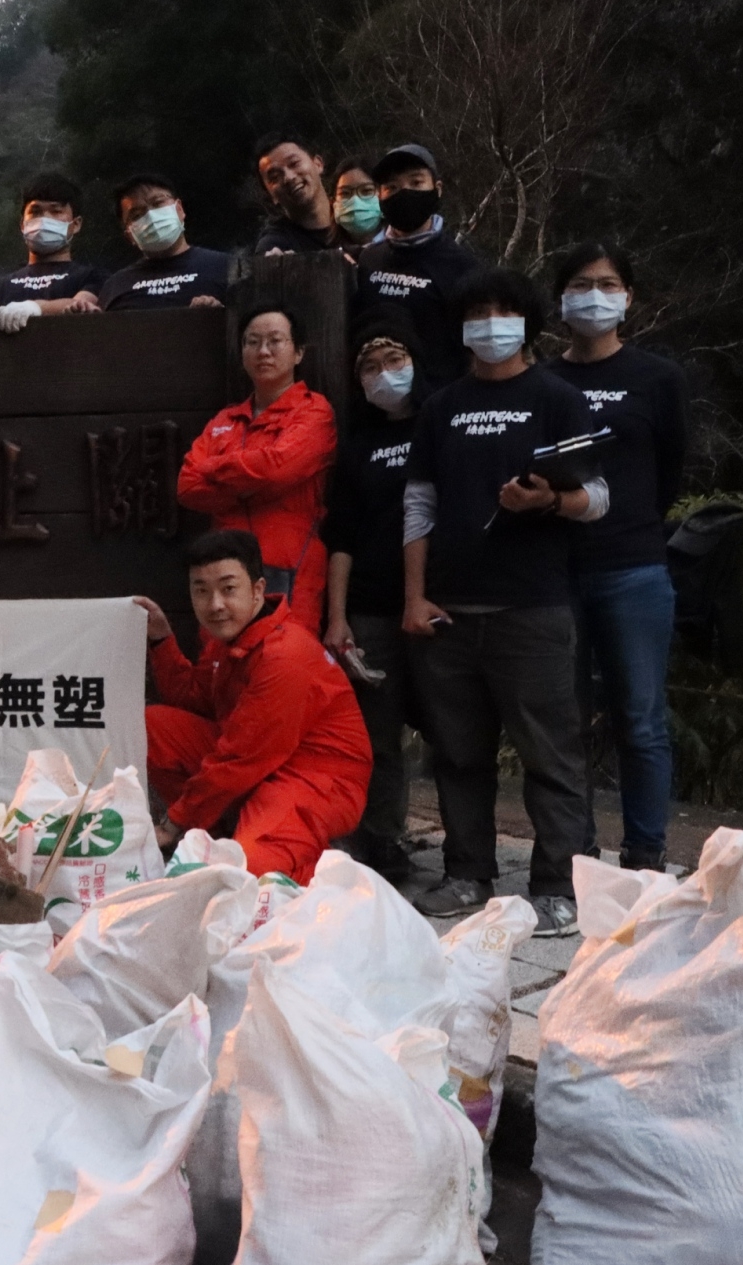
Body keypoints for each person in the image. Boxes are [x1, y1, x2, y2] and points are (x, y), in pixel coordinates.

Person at [400, 266, 606, 934]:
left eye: (503, 310)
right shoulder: (440, 406)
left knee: (551, 754)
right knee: (458, 755)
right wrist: (413, 594)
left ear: (526, 321)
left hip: (534, 608)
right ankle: (467, 872)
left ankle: (559, 885)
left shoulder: (557, 396)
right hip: (451, 609)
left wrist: (550, 499)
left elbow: (598, 498)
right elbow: (418, 505)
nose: (490, 323)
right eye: (477, 311)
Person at [546, 242, 690, 872]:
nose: (594, 295)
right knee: (564, 722)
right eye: (581, 283)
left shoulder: (659, 378)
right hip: (555, 568)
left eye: (608, 283)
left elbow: (671, 475)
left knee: (641, 720)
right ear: (560, 297)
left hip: (635, 567)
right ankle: (575, 849)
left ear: (629, 297)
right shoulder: (544, 380)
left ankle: (646, 853)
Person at [138, 529, 372, 883]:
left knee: (249, 872)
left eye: (228, 589)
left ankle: (327, 863)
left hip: (316, 776)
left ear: (258, 590)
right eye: (201, 590)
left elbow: (240, 760)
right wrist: (161, 638)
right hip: (260, 762)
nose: (215, 604)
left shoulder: (285, 655)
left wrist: (174, 821)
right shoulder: (232, 638)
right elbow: (192, 696)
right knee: (151, 727)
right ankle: (211, 841)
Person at [320, 309, 428, 884]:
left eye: (394, 361)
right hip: (370, 608)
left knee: (455, 730)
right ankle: (383, 839)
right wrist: (338, 617)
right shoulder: (358, 445)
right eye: (369, 367)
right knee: (378, 735)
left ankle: (469, 850)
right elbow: (342, 535)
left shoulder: (440, 424)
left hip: (441, 605)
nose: (383, 374)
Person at [177, 305, 335, 635]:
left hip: (292, 567)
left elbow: (279, 470)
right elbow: (188, 487)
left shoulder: (314, 411)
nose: (263, 351)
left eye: (275, 341)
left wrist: (216, 467)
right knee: (220, 669)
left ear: (298, 352)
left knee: (285, 665)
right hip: (224, 575)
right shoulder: (225, 420)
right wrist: (255, 479)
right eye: (252, 342)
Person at [354, 144, 482, 390]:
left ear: (437, 188)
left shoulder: (462, 265)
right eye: (391, 187)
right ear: (379, 197)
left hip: (438, 403)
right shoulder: (368, 259)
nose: (404, 193)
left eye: (416, 182)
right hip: (375, 405)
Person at [0, 172, 106, 336]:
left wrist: (36, 307)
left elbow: (81, 304)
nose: (45, 219)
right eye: (35, 211)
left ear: (76, 224)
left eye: (56, 211)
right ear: (23, 225)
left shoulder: (93, 276)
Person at [99, 173, 230, 311]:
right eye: (137, 215)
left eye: (158, 203)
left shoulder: (228, 268)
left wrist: (221, 315)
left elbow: (250, 325)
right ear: (129, 235)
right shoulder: (115, 287)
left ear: (179, 209)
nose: (151, 215)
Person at [254, 133, 341, 254]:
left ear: (318, 164)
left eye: (294, 163)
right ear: (270, 195)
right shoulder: (276, 244)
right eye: (275, 177)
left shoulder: (357, 215)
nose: (288, 177)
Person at [331, 159, 385, 256]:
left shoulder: (402, 249)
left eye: (366, 191)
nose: (355, 201)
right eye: (345, 193)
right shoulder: (328, 255)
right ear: (334, 202)